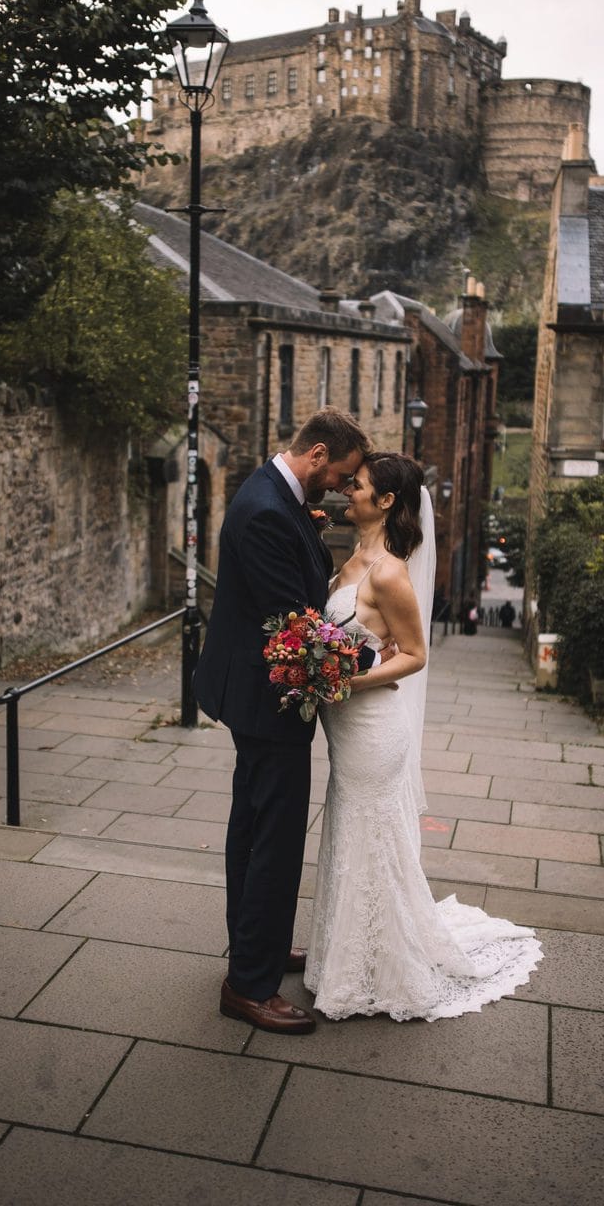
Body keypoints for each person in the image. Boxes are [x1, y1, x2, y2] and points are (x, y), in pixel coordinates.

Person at [306, 452, 542, 1021]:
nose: (347, 492)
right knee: (349, 833)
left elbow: (414, 654)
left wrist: (353, 679)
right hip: (347, 727)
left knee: (371, 838)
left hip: (373, 729)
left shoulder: (387, 570)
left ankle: (384, 968)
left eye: (357, 486)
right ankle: (351, 958)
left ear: (386, 502)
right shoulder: (354, 556)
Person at [196, 407, 377, 1036]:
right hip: (264, 700)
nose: (343, 487)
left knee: (252, 826)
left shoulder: (277, 493)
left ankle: (258, 948)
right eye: (343, 474)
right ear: (319, 453)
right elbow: (295, 626)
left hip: (252, 691)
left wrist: (313, 527)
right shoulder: (269, 510)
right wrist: (374, 655)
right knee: (271, 839)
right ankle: (249, 985)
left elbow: (292, 575)